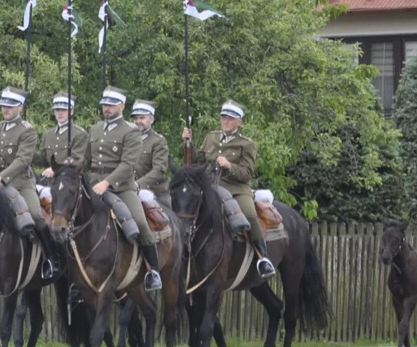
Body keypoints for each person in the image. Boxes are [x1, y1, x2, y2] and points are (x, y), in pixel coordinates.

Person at [0, 87, 61, 280]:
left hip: (22, 183)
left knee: (36, 215)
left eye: (10, 106)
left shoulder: (28, 131)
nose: (5, 109)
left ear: (20, 106)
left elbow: (22, 160)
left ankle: (52, 259)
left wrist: (1, 177)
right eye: (3, 106)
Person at [182, 100, 275, 278]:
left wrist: (230, 166)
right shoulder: (211, 137)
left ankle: (263, 257)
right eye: (224, 117)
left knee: (249, 214)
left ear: (239, 121)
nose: (226, 121)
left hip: (236, 189)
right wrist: (188, 144)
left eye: (230, 118)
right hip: (209, 188)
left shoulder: (246, 144)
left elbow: (247, 173)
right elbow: (197, 162)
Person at [84, 86, 162, 292]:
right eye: (104, 104)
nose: (106, 108)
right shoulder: (95, 129)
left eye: (111, 104)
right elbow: (86, 161)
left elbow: (128, 165)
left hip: (121, 188)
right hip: (94, 184)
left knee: (141, 224)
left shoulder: (131, 131)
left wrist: (107, 182)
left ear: (122, 106)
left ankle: (153, 271)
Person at [33, 91, 89, 177]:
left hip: (69, 180)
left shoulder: (79, 134)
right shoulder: (48, 134)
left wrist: (55, 169)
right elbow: (44, 160)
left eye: (64, 109)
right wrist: (28, 152)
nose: (60, 113)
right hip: (49, 179)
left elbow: (77, 160)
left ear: (71, 111)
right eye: (57, 109)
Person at [130, 100, 171, 208]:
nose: (138, 121)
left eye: (142, 118)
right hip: (129, 190)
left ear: (151, 119)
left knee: (159, 222)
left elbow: (158, 170)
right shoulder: (128, 140)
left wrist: (138, 184)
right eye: (135, 118)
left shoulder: (158, 141)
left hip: (153, 192)